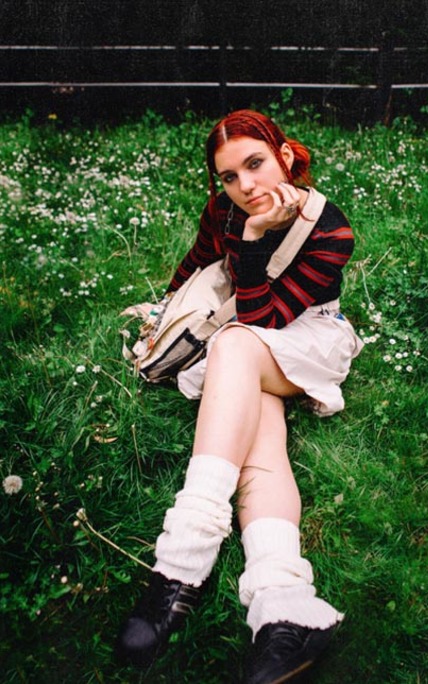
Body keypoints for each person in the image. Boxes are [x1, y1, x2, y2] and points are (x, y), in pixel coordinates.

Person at [116, 109, 363, 683]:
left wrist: (253, 239)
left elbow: (261, 318)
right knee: (261, 430)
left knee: (234, 345)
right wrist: (166, 312)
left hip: (307, 335)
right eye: (229, 176)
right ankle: (284, 601)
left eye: (255, 164)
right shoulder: (224, 210)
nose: (245, 186)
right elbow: (198, 262)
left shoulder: (330, 230)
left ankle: (181, 564)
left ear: (284, 155)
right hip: (249, 346)